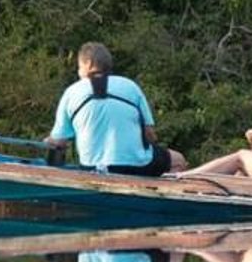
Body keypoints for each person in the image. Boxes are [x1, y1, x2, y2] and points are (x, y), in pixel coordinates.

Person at [46, 43, 188, 176]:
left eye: (79, 66)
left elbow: (59, 142)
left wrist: (49, 140)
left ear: (88, 64)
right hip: (137, 166)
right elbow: (150, 134)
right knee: (178, 160)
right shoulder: (130, 86)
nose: (78, 71)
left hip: (92, 168)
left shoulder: (72, 92)